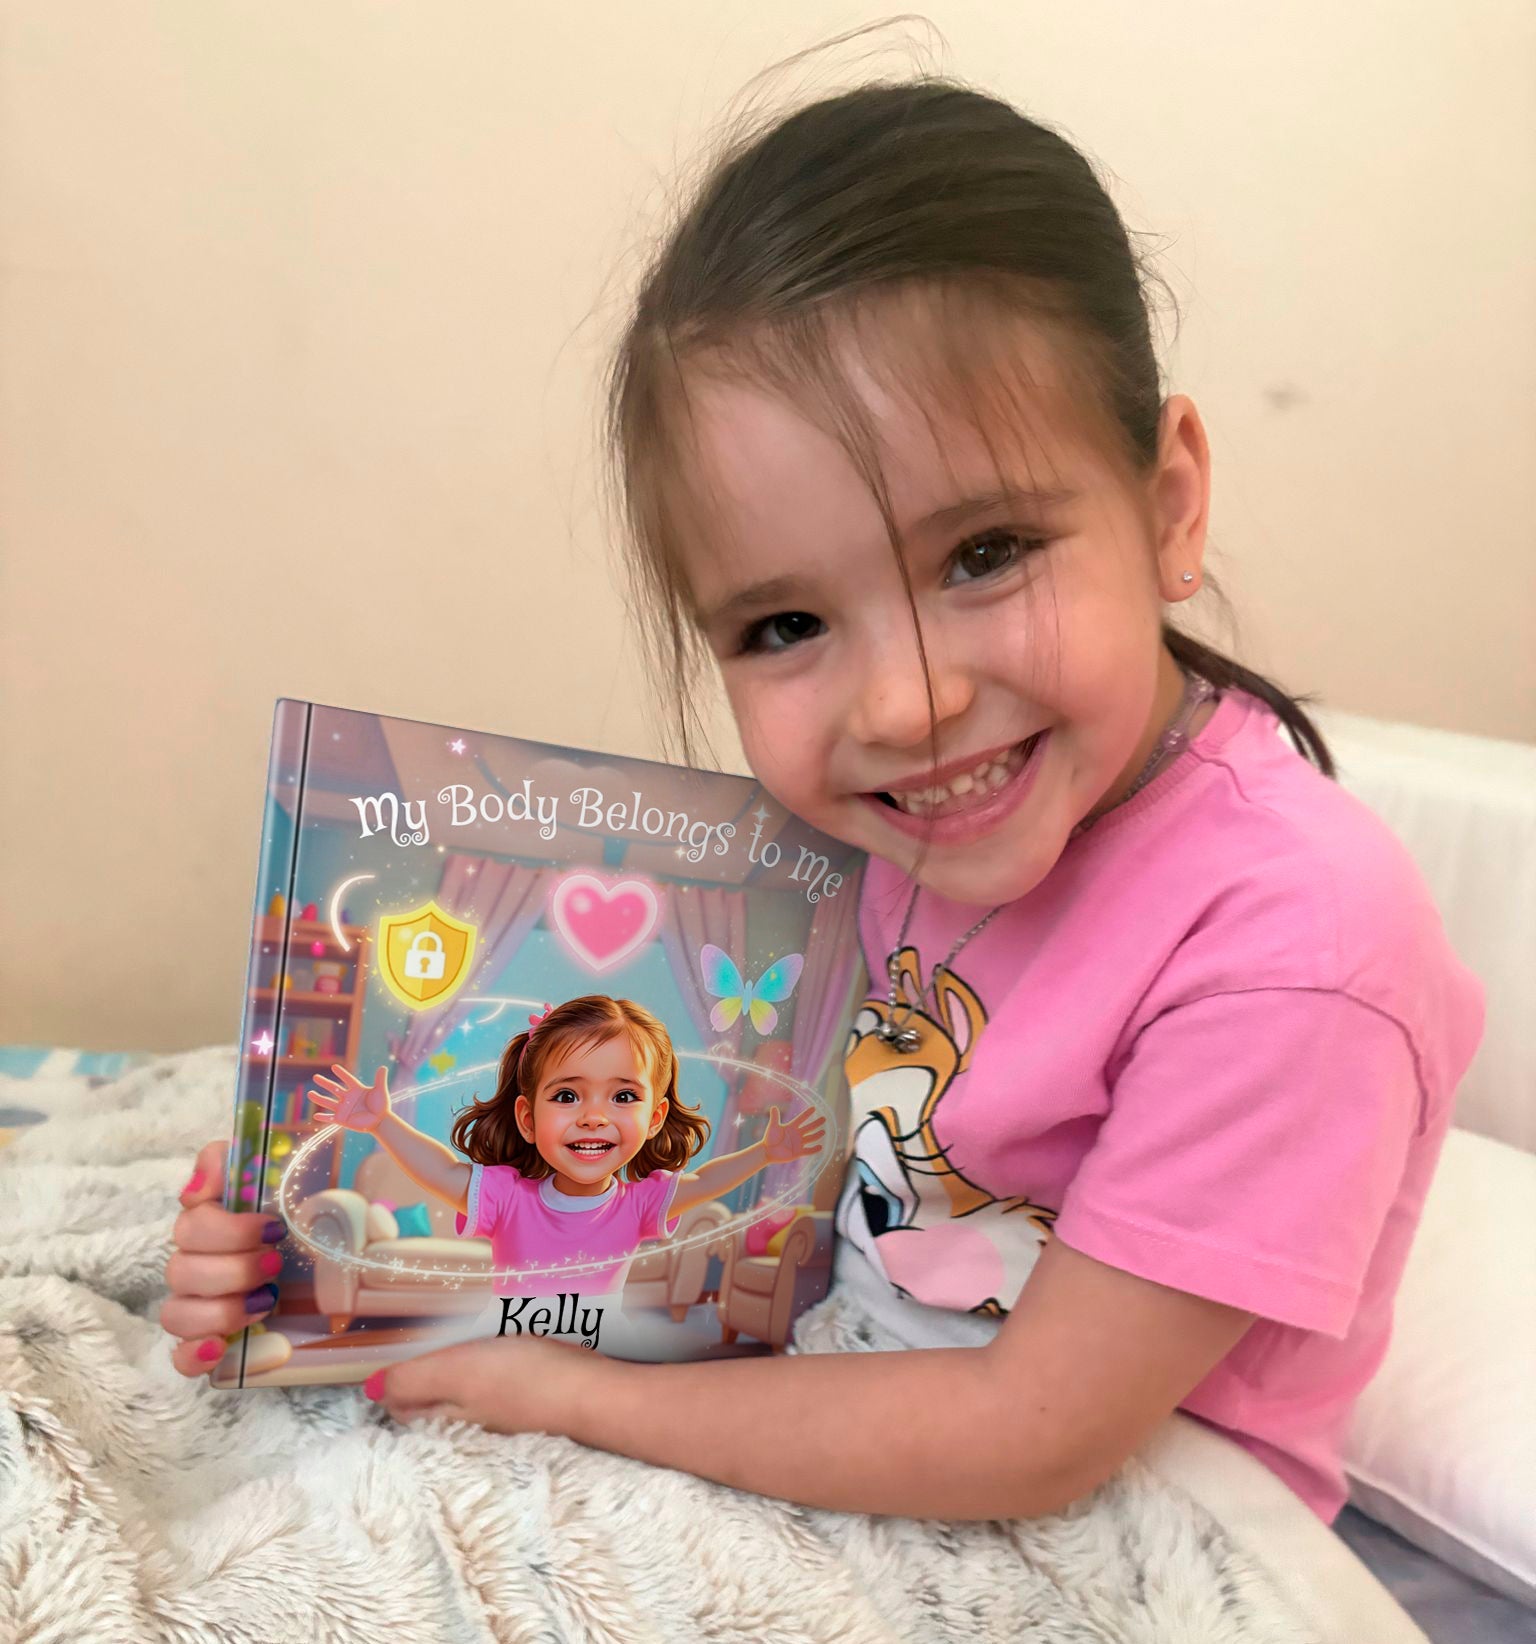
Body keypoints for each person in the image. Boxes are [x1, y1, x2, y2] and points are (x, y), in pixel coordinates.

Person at [163, 75, 1483, 1525]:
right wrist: (303, 1242)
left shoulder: (1296, 942)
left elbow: (1032, 1439)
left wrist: (563, 1393)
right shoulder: (839, 850)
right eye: (786, 626)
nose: (903, 706)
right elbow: (680, 1172)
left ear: (1168, 502)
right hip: (827, 1389)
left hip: (1127, 1524)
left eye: (987, 552)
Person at [305, 994, 822, 1296]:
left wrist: (765, 1153)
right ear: (528, 1119)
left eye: (623, 1096)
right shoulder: (508, 1195)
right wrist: (383, 1123)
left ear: (654, 1118)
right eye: (568, 1096)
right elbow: (440, 1171)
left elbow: (705, 1180)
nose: (594, 1117)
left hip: (595, 1363)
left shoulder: (640, 1201)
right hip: (514, 1356)